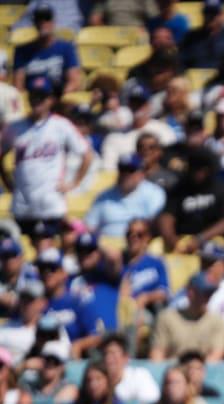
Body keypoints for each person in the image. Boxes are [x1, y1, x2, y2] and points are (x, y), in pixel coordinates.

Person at [0, 78, 93, 237]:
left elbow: (87, 154)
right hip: (23, 206)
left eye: (42, 96)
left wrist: (73, 184)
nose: (37, 101)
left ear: (50, 100)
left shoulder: (61, 125)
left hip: (51, 206)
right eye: (34, 96)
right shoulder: (15, 127)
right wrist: (7, 181)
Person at [149, 272, 224, 361]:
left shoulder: (216, 321)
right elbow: (157, 355)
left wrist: (195, 371)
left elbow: (215, 357)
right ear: (190, 292)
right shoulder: (167, 318)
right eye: (204, 293)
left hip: (203, 373)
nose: (208, 298)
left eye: (210, 293)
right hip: (172, 372)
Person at [85, 153, 166, 239]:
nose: (125, 175)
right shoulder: (104, 196)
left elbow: (156, 226)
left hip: (139, 245)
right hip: (107, 247)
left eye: (131, 170)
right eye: (122, 170)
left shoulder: (154, 193)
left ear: (142, 174)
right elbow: (89, 226)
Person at [13, 6, 82, 93]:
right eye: (39, 19)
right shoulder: (22, 51)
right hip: (31, 97)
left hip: (56, 97)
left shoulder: (66, 48)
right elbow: (18, 86)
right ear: (34, 23)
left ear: (53, 22)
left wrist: (58, 98)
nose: (43, 23)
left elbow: (74, 81)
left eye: (47, 18)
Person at [101, 333, 158, 404]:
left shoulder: (139, 375)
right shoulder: (98, 379)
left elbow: (151, 398)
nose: (108, 358)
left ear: (126, 357)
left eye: (113, 353)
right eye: (105, 354)